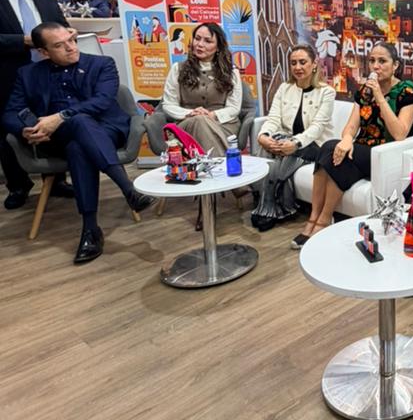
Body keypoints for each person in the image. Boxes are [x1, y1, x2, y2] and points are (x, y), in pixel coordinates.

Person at [3, 23, 153, 262]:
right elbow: (10, 113)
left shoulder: (102, 64)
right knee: (77, 138)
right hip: (55, 138)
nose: (71, 48)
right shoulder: (28, 74)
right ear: (43, 52)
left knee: (79, 136)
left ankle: (90, 229)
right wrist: (26, 130)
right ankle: (128, 190)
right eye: (59, 45)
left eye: (71, 40)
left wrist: (60, 117)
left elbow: (102, 101)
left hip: (105, 129)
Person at [293, 41, 413, 249]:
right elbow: (352, 126)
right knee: (332, 150)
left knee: (331, 149)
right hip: (362, 150)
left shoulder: (407, 92)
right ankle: (317, 218)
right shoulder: (364, 91)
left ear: (395, 65)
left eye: (382, 61)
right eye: (372, 61)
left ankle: (322, 221)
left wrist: (380, 97)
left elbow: (400, 134)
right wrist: (346, 140)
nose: (376, 66)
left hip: (387, 154)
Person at [0, 0, 67, 208]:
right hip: (8, 75)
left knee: (53, 124)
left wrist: (67, 34)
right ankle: (18, 185)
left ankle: (57, 179)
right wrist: (23, 41)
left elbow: (60, 25)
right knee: (9, 132)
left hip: (48, 74)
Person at [252, 43, 335, 232]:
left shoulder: (326, 92)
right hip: (286, 139)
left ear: (314, 64)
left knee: (284, 153)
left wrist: (295, 143)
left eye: (303, 62)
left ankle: (267, 206)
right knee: (271, 147)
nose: (298, 67)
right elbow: (273, 118)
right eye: (293, 63)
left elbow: (317, 128)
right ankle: (275, 205)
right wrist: (263, 135)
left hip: (314, 146)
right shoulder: (284, 88)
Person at [160, 22, 242, 156]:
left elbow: (234, 108)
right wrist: (191, 113)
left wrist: (211, 115)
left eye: (207, 41)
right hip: (187, 123)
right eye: (197, 38)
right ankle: (222, 162)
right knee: (199, 120)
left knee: (203, 120)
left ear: (218, 47)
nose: (200, 44)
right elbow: (168, 104)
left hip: (223, 125)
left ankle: (210, 163)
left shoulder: (231, 73)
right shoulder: (177, 69)